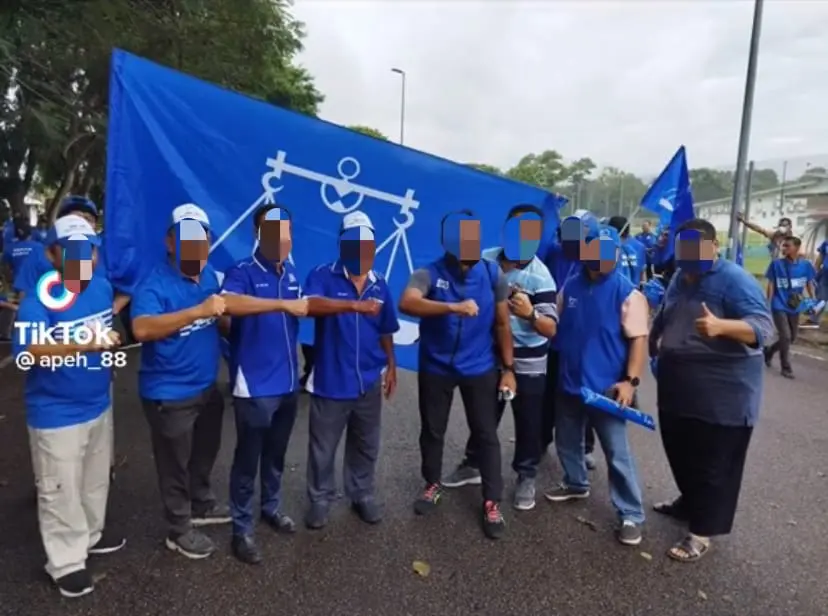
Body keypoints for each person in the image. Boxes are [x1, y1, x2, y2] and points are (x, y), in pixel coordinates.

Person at [13, 215, 125, 597]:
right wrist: (84, 343)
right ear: (53, 253)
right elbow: (30, 351)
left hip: (98, 403)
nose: (83, 258)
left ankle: (90, 535)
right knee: (60, 488)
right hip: (56, 413)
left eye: (89, 250)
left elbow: (106, 331)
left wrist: (107, 358)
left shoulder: (101, 287)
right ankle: (65, 562)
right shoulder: (38, 299)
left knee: (94, 479)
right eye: (73, 250)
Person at [650, 218, 773, 562]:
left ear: (713, 247)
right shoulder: (678, 275)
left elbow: (765, 328)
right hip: (678, 387)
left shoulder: (734, 280)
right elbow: (665, 314)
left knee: (714, 465)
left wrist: (723, 326)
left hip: (723, 396)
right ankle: (688, 501)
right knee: (680, 451)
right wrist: (652, 343)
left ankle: (701, 533)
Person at [399, 210, 515, 539]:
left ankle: (492, 501)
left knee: (486, 433)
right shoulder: (429, 274)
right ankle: (432, 484)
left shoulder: (494, 275)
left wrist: (508, 369)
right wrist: (452, 307)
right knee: (433, 429)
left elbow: (503, 324)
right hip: (436, 366)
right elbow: (407, 303)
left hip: (479, 367)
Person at [442, 205, 558, 511]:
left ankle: (526, 476)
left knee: (528, 422)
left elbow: (551, 329)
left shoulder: (541, 276)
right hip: (489, 356)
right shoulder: (485, 259)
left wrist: (530, 313)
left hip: (529, 361)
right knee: (484, 415)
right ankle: (473, 464)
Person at [131, 204, 230, 559]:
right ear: (171, 242)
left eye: (200, 239)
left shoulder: (210, 276)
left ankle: (201, 503)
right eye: (186, 239)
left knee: (204, 452)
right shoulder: (154, 283)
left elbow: (221, 319)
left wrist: (222, 320)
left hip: (206, 388)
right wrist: (198, 311)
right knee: (173, 463)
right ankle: (178, 528)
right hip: (169, 394)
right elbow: (141, 328)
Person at [545, 223, 648, 547]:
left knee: (617, 452)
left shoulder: (627, 292)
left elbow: (638, 341)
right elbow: (555, 324)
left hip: (607, 390)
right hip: (570, 380)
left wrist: (630, 382)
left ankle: (630, 513)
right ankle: (576, 482)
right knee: (567, 438)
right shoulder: (571, 286)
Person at [219, 205, 309, 564]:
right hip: (254, 384)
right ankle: (241, 528)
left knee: (276, 454)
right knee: (247, 458)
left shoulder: (291, 273)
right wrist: (281, 303)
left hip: (287, 383)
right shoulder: (241, 271)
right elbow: (228, 304)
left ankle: (271, 507)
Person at [303, 211, 399, 530]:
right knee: (323, 447)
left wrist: (392, 367)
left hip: (368, 381)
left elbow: (386, 329)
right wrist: (352, 306)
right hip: (331, 380)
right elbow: (309, 305)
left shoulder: (380, 284)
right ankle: (319, 499)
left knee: (366, 443)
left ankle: (362, 494)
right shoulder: (323, 276)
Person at [542, 211, 598, 469]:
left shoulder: (595, 260)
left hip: (581, 343)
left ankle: (585, 446)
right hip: (551, 337)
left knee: (582, 394)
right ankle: (540, 441)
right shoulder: (553, 252)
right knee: (548, 394)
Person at [763, 236, 817, 379]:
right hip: (778, 303)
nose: (784, 248)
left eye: (788, 246)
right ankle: (786, 367)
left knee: (791, 338)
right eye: (784, 245)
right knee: (785, 336)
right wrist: (768, 303)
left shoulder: (806, 265)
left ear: (796, 248)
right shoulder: (776, 264)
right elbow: (771, 284)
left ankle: (769, 351)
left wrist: (812, 300)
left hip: (794, 305)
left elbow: (808, 283)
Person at [608, 215, 647, 287]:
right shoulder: (640, 246)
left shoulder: (608, 246)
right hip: (634, 292)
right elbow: (642, 274)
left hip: (615, 292)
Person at [2, 216, 40, 289]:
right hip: (36, 285)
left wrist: (10, 281)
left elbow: (5, 268)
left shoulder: (9, 248)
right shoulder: (39, 247)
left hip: (17, 286)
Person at [815, 237, 828, 302]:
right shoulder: (826, 243)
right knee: (821, 301)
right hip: (825, 276)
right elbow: (821, 256)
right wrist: (817, 269)